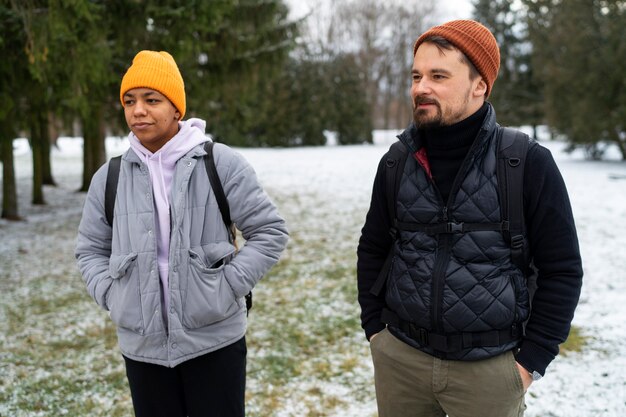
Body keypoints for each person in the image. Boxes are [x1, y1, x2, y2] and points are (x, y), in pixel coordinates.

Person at [357, 20, 583, 417]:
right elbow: (373, 247)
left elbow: (562, 269)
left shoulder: (525, 162)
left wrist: (529, 362)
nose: (420, 87)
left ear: (479, 85)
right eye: (417, 76)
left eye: (438, 76)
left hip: (490, 371)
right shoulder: (396, 161)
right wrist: (376, 331)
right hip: (401, 362)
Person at [75, 50, 288, 417]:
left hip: (214, 342)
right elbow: (90, 249)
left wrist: (226, 287)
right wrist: (113, 295)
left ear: (177, 108)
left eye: (151, 100)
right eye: (129, 101)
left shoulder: (219, 163)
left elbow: (270, 231)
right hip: (143, 350)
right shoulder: (108, 178)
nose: (138, 110)